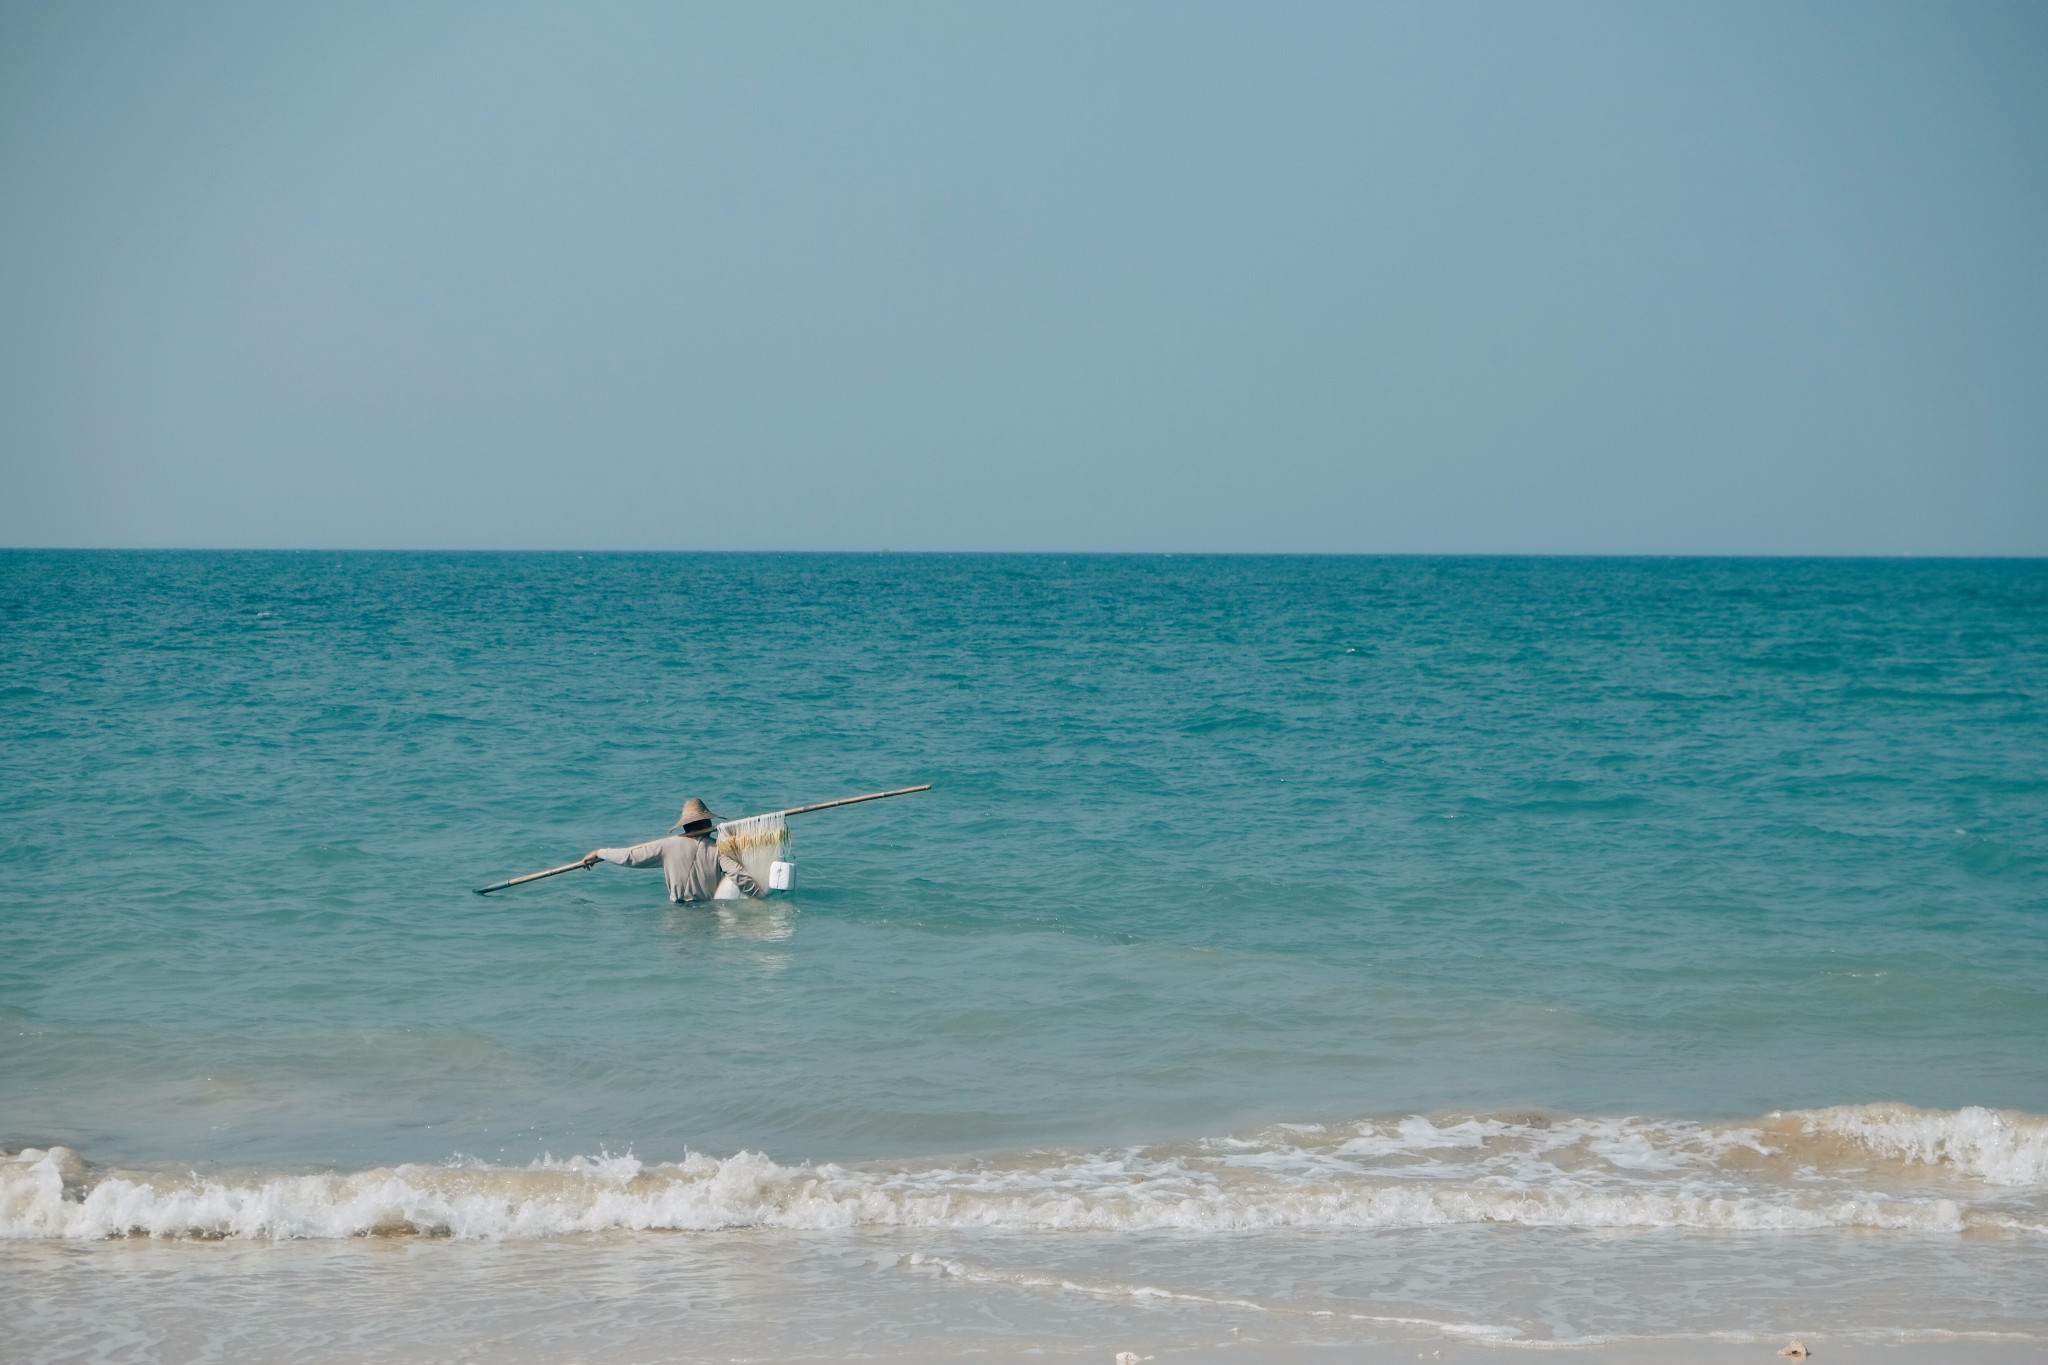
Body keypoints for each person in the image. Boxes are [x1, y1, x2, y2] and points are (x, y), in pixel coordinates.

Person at [581, 797, 762, 903]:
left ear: (685, 826)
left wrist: (600, 853)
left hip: (678, 914)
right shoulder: (718, 849)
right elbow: (739, 875)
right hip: (707, 913)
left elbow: (630, 857)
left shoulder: (666, 846)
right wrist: (761, 896)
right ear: (708, 822)